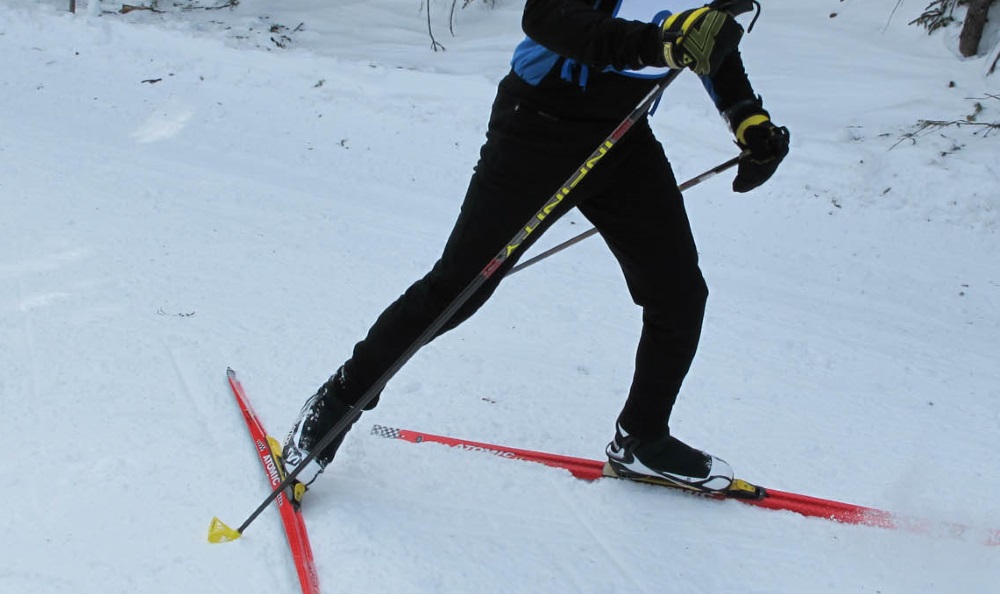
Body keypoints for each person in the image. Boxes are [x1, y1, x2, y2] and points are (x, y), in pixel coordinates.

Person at [281, 0, 790, 496]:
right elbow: (548, 17)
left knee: (678, 295)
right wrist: (658, 44)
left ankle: (642, 439)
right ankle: (336, 403)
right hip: (537, 126)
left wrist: (747, 118)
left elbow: (712, 40)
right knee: (459, 287)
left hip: (624, 135)